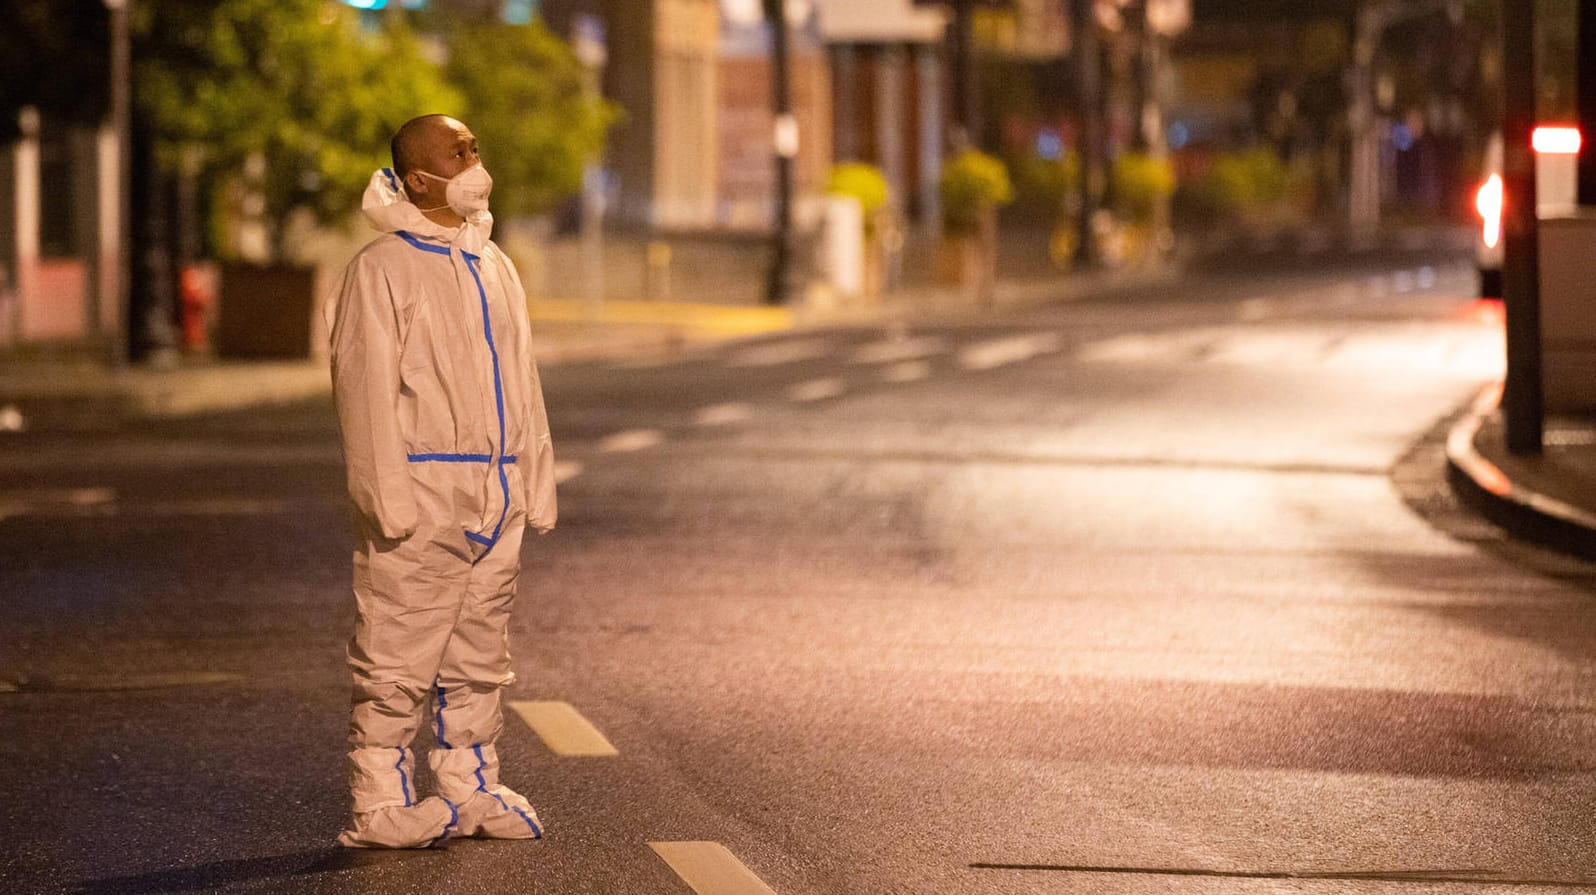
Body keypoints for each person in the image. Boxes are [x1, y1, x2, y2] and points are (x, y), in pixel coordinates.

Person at [327, 114, 558, 849]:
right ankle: (378, 801)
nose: (473, 159)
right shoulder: (381, 269)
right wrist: (384, 494)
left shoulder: (493, 263)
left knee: (479, 652)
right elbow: (362, 389)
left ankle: (470, 785)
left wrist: (534, 478)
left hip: (496, 490)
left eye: (474, 148)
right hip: (422, 491)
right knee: (397, 652)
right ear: (419, 178)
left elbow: (522, 379)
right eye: (457, 152)